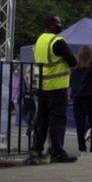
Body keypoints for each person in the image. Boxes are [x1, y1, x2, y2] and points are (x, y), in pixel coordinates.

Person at [30, 14, 78, 163]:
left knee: (42, 119)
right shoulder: (58, 42)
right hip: (57, 86)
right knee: (57, 119)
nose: (60, 25)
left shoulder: (39, 40)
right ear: (51, 24)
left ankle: (37, 149)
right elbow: (72, 61)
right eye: (58, 22)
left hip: (41, 85)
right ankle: (57, 151)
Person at [71, 45, 92, 157]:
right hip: (90, 97)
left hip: (77, 98)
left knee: (80, 124)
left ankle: (82, 150)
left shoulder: (75, 67)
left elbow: (71, 83)